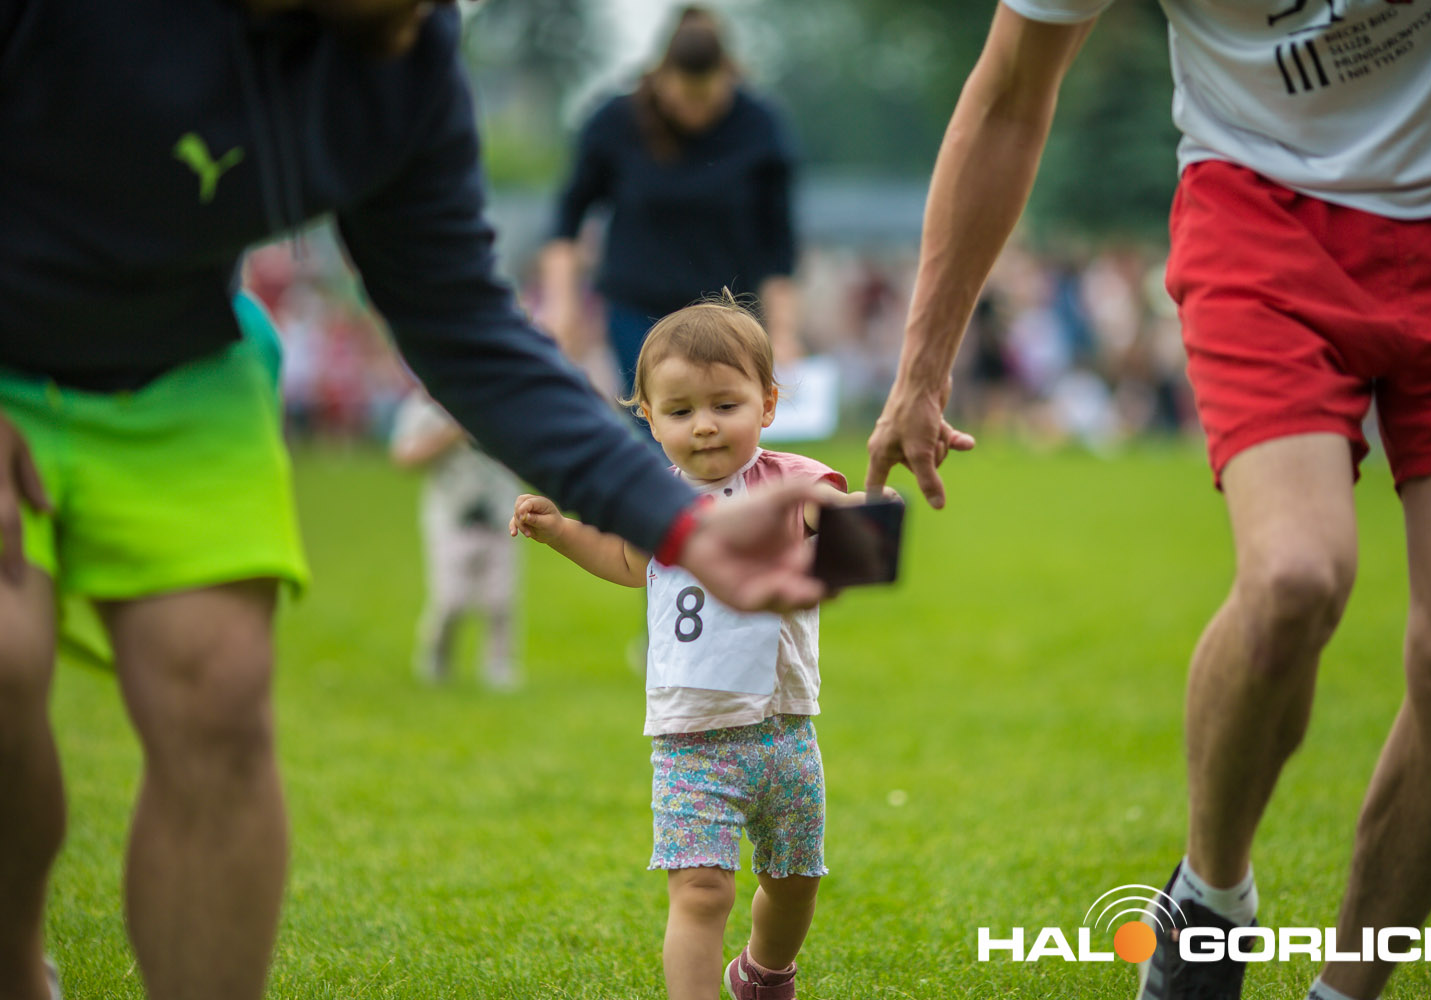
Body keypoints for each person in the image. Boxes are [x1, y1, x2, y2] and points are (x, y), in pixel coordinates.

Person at [0, 5, 825, 999]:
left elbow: (462, 321)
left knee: (215, 696)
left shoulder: (403, 47)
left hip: (186, 362)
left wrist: (677, 519)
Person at [863, 4, 1431, 1000]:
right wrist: (923, 368)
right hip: (1264, 215)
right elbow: (1008, 98)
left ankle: (1346, 990)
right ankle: (1209, 897)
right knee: (1295, 577)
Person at [510, 296, 881, 1000]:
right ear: (650, 421)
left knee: (794, 882)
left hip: (785, 731)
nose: (704, 425)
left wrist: (861, 514)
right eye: (680, 412)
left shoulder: (788, 482)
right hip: (690, 737)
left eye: (724, 405)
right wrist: (560, 531)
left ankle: (763, 972)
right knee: (701, 891)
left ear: (767, 404)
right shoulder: (651, 501)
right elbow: (627, 561)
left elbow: (831, 514)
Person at [538, 5, 801, 406]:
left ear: (727, 78)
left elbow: (778, 241)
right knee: (660, 418)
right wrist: (562, 307)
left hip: (729, 315)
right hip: (636, 311)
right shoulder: (615, 122)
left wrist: (783, 332)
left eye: (705, 98)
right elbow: (567, 218)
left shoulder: (760, 127)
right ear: (662, 80)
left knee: (724, 422)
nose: (695, 112)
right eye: (684, 98)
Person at [390, 389, 523, 690]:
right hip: (451, 516)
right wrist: (453, 433)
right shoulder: (427, 403)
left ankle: (499, 667)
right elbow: (403, 456)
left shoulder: (505, 396)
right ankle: (436, 659)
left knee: (500, 600)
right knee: (452, 600)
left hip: (501, 511)